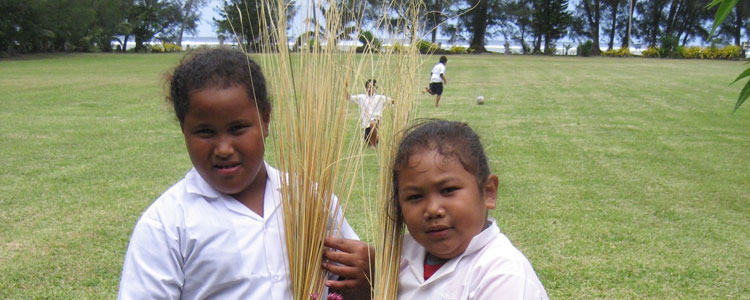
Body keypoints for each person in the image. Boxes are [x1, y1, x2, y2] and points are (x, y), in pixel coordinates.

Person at [118, 48, 373, 300]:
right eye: (205, 132)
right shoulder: (167, 223)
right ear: (184, 130)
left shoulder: (310, 199)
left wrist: (367, 276)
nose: (223, 149)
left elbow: (348, 285)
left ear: (265, 120)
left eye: (237, 128)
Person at [392, 120, 548, 300]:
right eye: (415, 197)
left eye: (448, 190)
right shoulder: (402, 258)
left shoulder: (503, 274)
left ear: (488, 192)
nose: (433, 210)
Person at [347, 79, 391, 148]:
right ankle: (375, 139)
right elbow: (349, 98)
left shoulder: (380, 98)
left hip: (376, 122)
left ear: (375, 88)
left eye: (371, 87)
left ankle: (374, 144)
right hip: (366, 125)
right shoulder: (362, 97)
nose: (369, 89)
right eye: (367, 87)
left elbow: (392, 101)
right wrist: (345, 88)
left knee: (372, 123)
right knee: (368, 142)